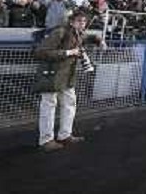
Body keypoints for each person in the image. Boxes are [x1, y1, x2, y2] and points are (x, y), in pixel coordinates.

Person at [32, 10, 101, 152]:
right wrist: (68, 53)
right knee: (49, 106)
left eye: (84, 21)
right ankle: (46, 140)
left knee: (70, 104)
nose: (82, 24)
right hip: (51, 75)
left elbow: (86, 37)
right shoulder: (59, 32)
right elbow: (41, 52)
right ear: (71, 21)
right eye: (79, 21)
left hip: (66, 76)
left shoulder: (78, 33)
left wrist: (98, 39)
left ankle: (65, 135)